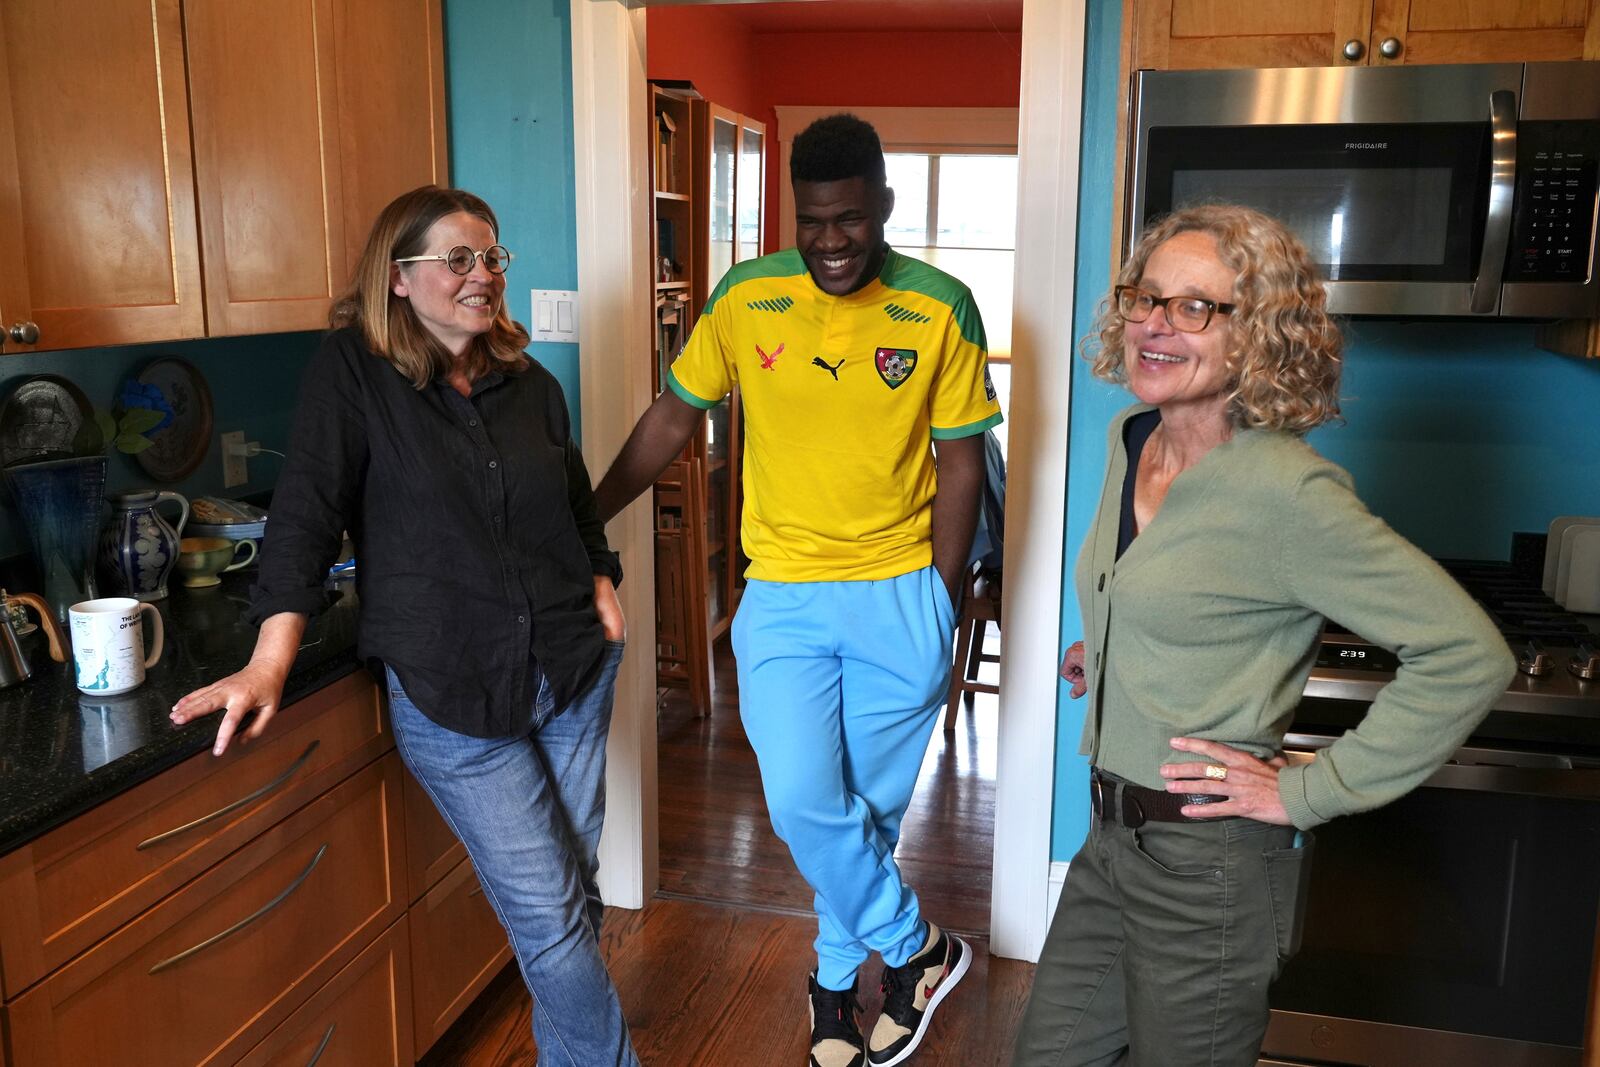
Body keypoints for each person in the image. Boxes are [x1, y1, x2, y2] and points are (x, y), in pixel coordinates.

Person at [1010, 204, 1517, 1067]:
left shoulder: (1289, 493)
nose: (1157, 324)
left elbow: (1471, 653)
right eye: (1147, 297)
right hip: (1107, 845)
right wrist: (1118, 645)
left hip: (1206, 867)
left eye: (1196, 306)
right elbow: (1166, 581)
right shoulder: (1129, 437)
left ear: (1259, 338)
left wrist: (1305, 792)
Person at [170, 186, 640, 1067]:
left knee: (570, 898)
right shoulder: (353, 374)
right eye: (458, 259)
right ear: (399, 278)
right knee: (551, 916)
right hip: (451, 692)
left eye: (492, 257)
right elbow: (305, 512)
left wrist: (602, 575)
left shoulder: (527, 382)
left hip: (571, 672)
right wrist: (270, 660)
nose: (482, 276)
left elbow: (570, 494)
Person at [595, 114, 1001, 1067]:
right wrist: (591, 508)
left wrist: (939, 600)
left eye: (850, 220)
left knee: (865, 811)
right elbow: (672, 416)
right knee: (804, 802)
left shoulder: (942, 305)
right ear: (794, 210)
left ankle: (831, 989)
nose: (829, 242)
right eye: (813, 220)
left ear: (884, 208)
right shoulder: (747, 295)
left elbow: (962, 463)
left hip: (900, 591)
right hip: (780, 593)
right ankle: (918, 951)